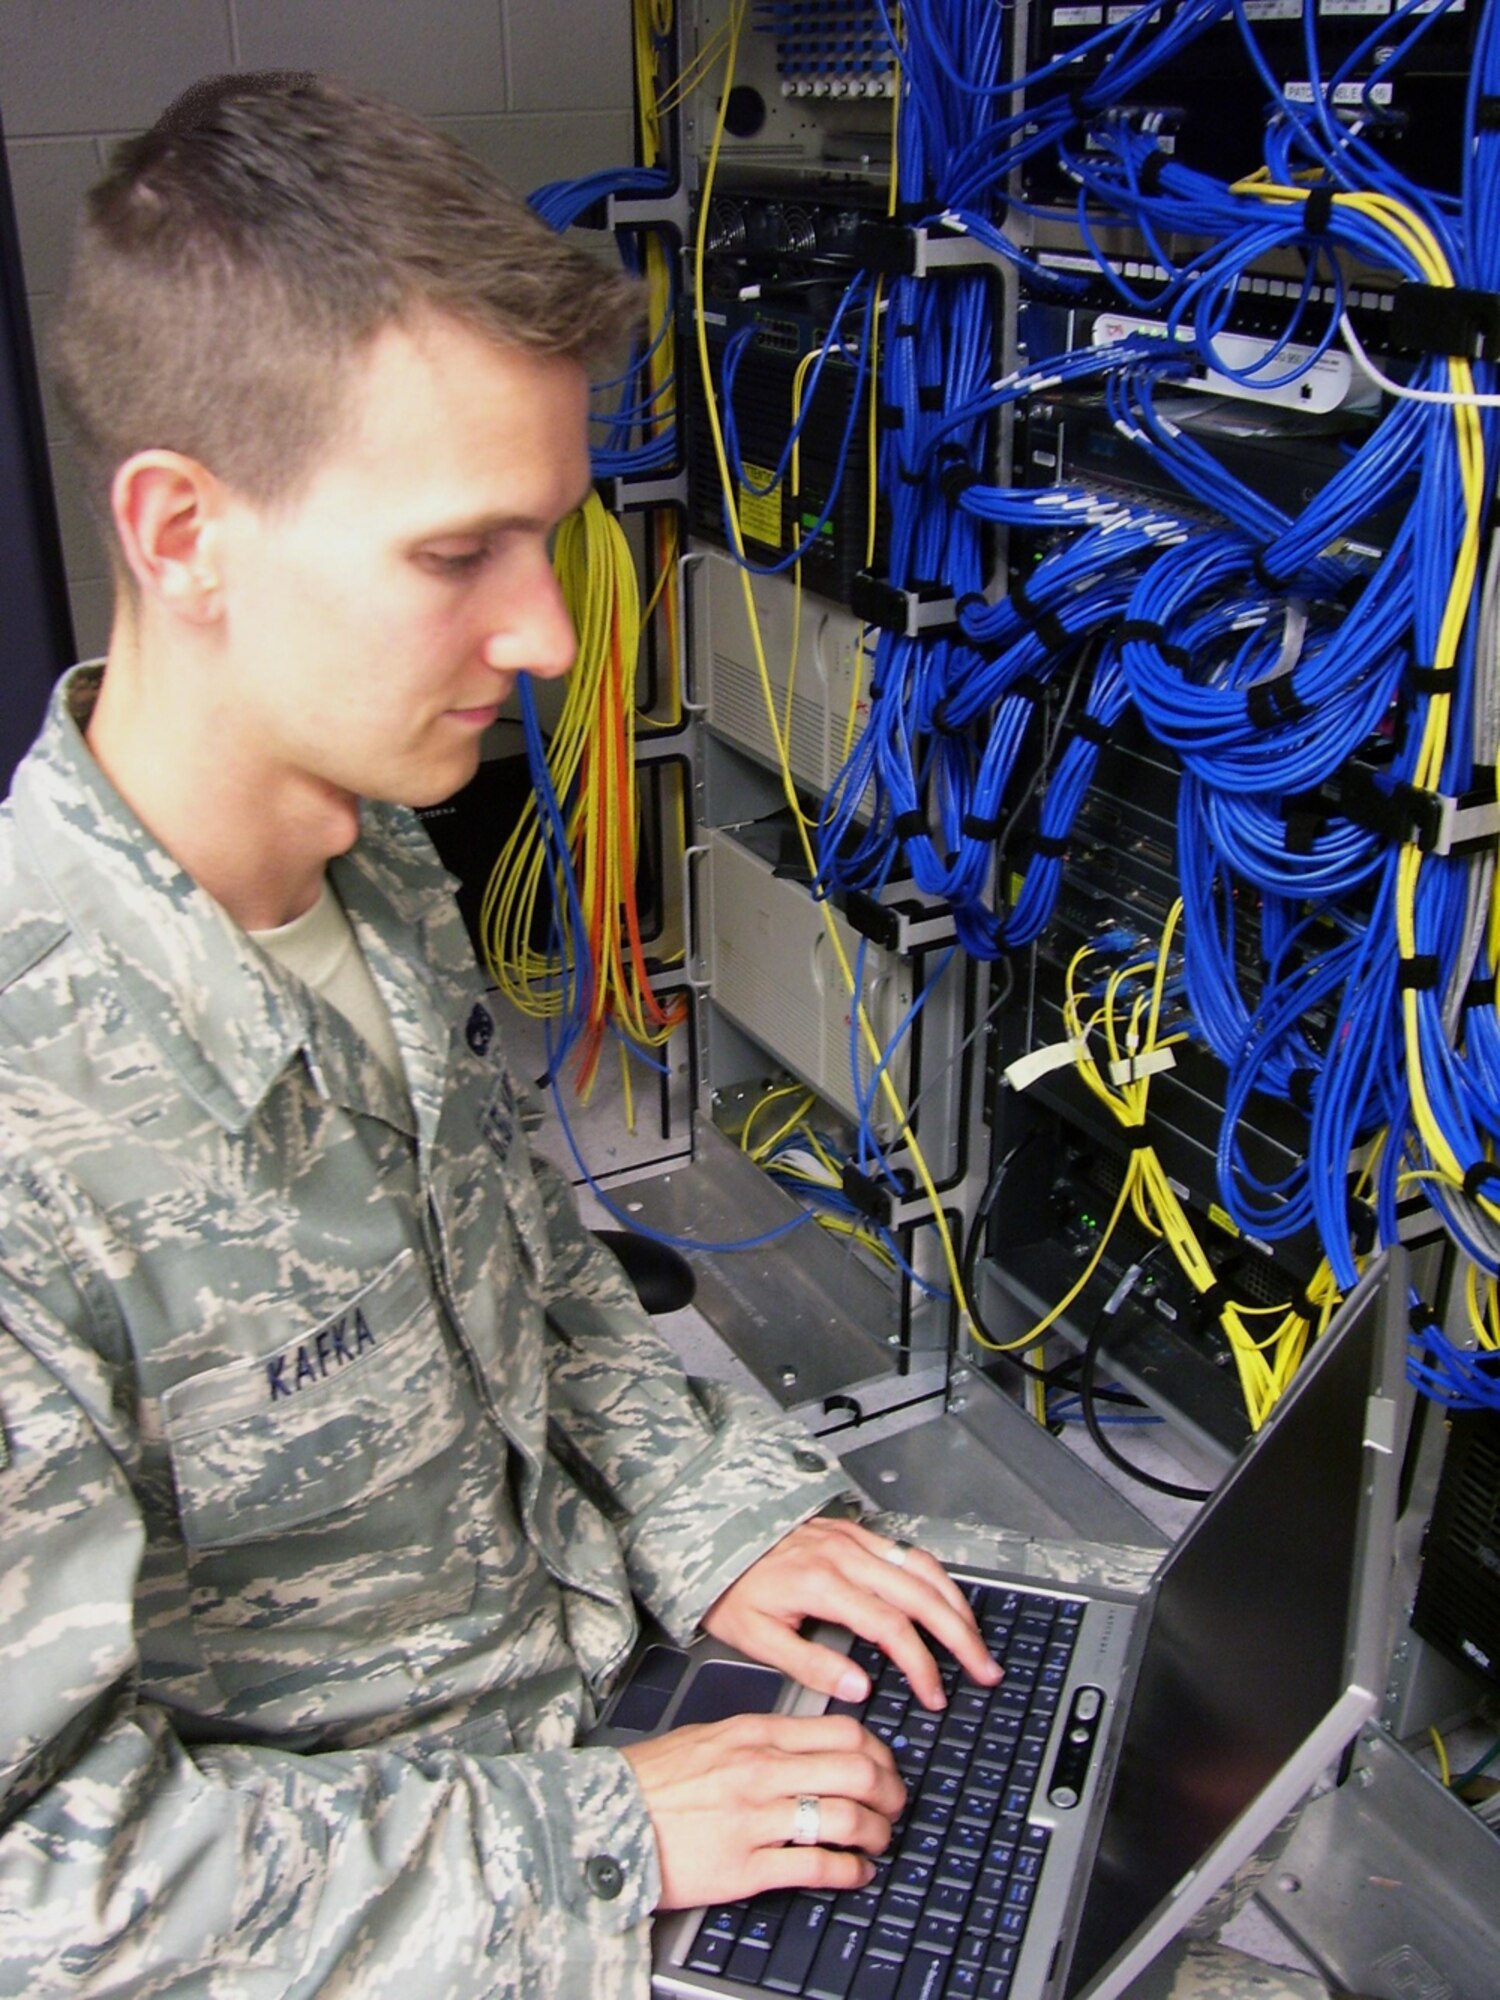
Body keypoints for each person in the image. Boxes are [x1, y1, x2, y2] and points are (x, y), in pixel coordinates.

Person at [0, 70, 1003, 1998]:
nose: (549, 635)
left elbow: (535, 1277)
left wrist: (718, 1523)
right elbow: (46, 1884)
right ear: (183, 534)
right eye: (461, 554)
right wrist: (610, 1839)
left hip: (599, 1728)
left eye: (544, 541)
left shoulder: (376, 874)